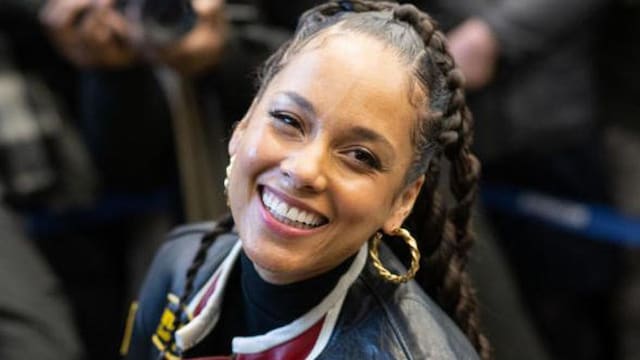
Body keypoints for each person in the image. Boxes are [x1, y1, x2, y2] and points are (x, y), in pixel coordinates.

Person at [122, 1, 490, 359]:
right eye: (288, 120)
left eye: (360, 156)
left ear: (403, 201)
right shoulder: (179, 262)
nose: (303, 171)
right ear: (245, 123)